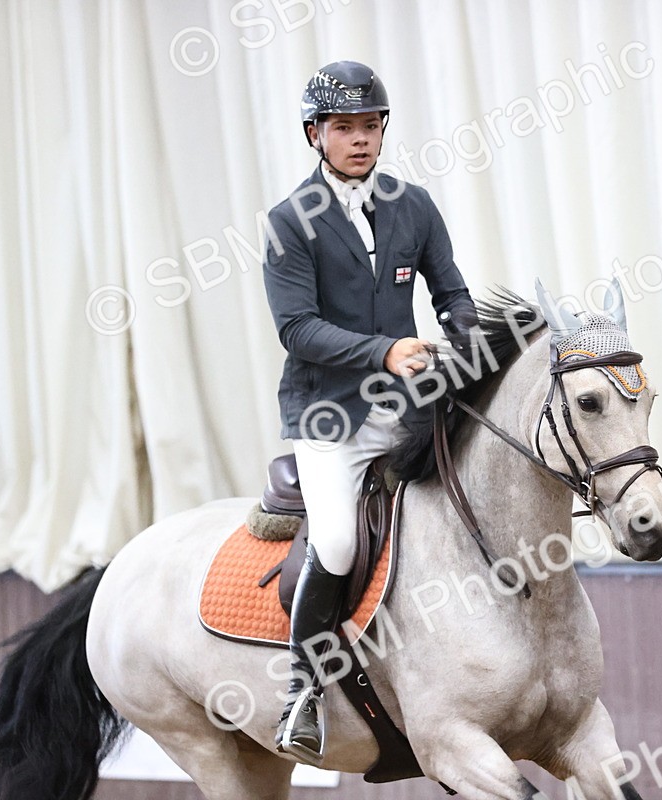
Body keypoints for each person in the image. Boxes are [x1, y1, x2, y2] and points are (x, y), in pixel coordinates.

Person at [261, 60, 477, 764]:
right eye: (344, 127)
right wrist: (385, 352)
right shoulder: (289, 223)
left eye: (370, 126)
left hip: (410, 402)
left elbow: (451, 292)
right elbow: (296, 329)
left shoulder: (414, 204)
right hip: (330, 416)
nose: (360, 139)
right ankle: (302, 690)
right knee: (341, 542)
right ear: (314, 134)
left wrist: (473, 347)